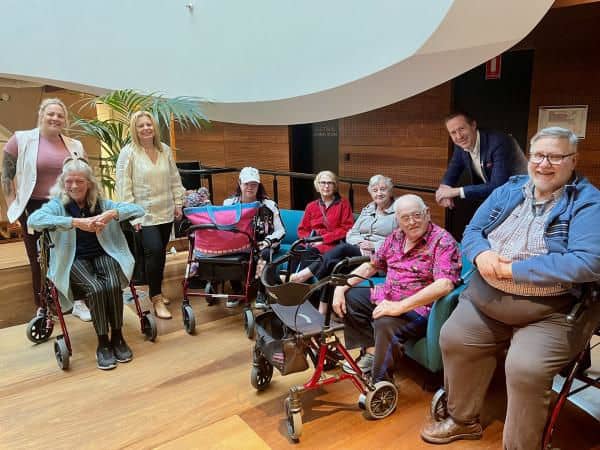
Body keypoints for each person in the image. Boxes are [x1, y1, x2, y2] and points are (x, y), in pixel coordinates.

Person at [420, 127, 600, 450]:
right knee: (454, 337)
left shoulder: (588, 202)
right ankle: (463, 421)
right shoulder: (511, 188)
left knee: (525, 368)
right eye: (538, 155)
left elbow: (586, 263)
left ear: (573, 160)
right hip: (486, 299)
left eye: (555, 156)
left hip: (550, 312)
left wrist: (513, 270)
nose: (543, 164)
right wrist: (482, 253)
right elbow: (473, 230)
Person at [27, 158, 145, 370]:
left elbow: (138, 209)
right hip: (74, 260)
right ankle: (103, 343)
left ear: (89, 183)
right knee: (96, 288)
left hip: (103, 254)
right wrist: (74, 223)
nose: (73, 186)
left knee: (112, 285)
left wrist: (111, 214)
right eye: (69, 181)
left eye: (79, 181)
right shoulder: (58, 206)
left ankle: (117, 336)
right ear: (63, 183)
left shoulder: (102, 203)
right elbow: (33, 221)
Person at [332, 194, 461, 382]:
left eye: (417, 215)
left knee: (385, 323)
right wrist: (341, 287)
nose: (412, 222)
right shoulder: (395, 237)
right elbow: (372, 265)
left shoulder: (443, 241)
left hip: (418, 308)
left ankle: (381, 382)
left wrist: (399, 307)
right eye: (405, 218)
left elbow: (445, 284)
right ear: (397, 220)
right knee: (351, 297)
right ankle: (371, 351)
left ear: (427, 213)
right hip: (389, 295)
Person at [1, 98, 91, 321]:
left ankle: (78, 301)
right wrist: (13, 206)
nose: (55, 118)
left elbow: (85, 176)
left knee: (74, 252)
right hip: (33, 207)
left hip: (66, 206)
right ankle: (42, 307)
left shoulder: (75, 145)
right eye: (50, 114)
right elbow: (6, 175)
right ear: (41, 115)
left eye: (60, 115)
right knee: (40, 258)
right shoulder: (21, 140)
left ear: (65, 120)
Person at [115, 111, 185, 320]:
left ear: (154, 127)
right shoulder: (128, 153)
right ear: (134, 130)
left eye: (149, 124)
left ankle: (157, 290)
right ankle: (155, 299)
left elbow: (174, 177)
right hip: (143, 215)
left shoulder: (164, 150)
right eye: (140, 126)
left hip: (165, 211)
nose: (145, 128)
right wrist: (132, 216)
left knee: (160, 253)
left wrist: (178, 202)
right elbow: (124, 186)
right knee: (153, 251)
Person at [291, 174, 396, 282]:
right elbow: (351, 233)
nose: (378, 193)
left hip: (379, 256)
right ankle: (310, 293)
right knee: (331, 265)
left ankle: (301, 277)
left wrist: (375, 246)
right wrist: (360, 244)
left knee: (343, 248)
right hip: (359, 251)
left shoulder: (399, 212)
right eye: (375, 190)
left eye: (383, 189)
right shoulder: (368, 209)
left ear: (390, 191)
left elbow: (401, 241)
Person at [435, 111, 527, 209]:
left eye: (461, 129)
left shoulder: (499, 142)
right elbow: (454, 168)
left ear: (473, 125)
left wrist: (456, 192)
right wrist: (444, 188)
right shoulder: (461, 145)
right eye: (453, 132)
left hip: (521, 199)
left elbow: (498, 185)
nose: (459, 136)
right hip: (497, 199)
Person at [223, 167, 285, 308]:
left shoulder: (269, 205)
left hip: (263, 244)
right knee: (229, 253)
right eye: (247, 184)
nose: (250, 187)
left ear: (259, 185)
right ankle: (237, 289)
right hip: (238, 244)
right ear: (240, 183)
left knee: (264, 254)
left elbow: (281, 231)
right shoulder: (229, 205)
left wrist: (268, 241)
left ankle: (261, 291)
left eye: (254, 184)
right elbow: (223, 228)